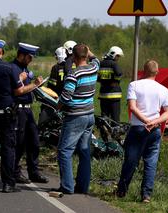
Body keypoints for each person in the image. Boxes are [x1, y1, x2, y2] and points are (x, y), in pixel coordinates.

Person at [0, 39, 43, 193]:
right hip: (4, 113)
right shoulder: (8, 68)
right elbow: (18, 91)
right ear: (1, 51)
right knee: (8, 148)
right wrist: (34, 85)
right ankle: (7, 183)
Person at [116, 60, 168, 203]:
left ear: (144, 70)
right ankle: (146, 195)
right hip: (155, 130)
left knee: (130, 161)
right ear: (157, 72)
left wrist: (145, 120)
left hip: (138, 128)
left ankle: (122, 191)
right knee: (151, 163)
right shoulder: (163, 89)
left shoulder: (134, 85)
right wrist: (154, 122)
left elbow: (133, 107)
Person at [54, 44, 100, 194]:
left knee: (64, 151)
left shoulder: (73, 75)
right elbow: (96, 59)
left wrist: (57, 107)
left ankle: (67, 186)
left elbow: (66, 97)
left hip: (75, 117)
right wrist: (88, 49)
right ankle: (82, 186)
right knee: (84, 151)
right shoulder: (94, 68)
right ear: (86, 56)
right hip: (89, 115)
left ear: (73, 57)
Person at [11, 42, 49, 184]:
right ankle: (15, 172)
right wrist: (35, 84)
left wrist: (36, 85)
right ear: (22, 55)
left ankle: (34, 172)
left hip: (27, 109)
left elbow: (26, 87)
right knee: (19, 143)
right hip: (18, 109)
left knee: (34, 141)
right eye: (29, 56)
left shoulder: (24, 68)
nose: (31, 59)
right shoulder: (14, 69)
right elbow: (18, 91)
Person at [97, 46, 124, 122]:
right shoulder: (114, 64)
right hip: (114, 96)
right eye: (118, 56)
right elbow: (119, 74)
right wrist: (115, 81)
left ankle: (104, 133)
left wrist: (104, 82)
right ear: (114, 54)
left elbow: (97, 78)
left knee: (104, 119)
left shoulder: (100, 63)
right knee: (115, 119)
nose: (118, 58)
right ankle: (114, 133)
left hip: (103, 95)